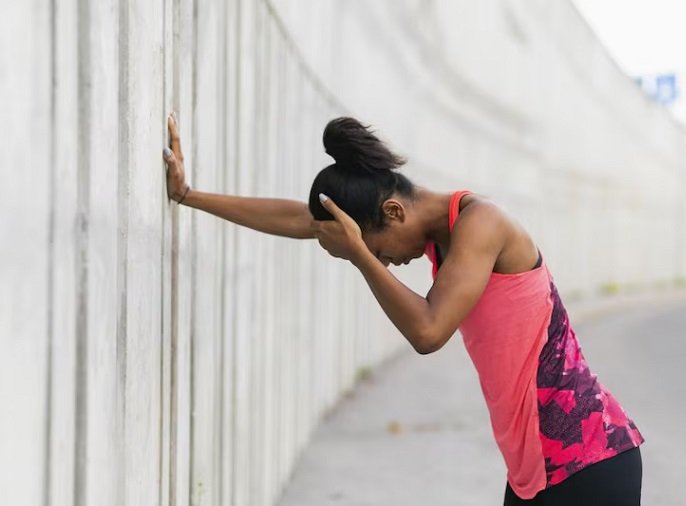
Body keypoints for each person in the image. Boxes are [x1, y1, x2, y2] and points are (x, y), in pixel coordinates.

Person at [163, 114, 645, 505]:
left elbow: (429, 332)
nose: (386, 261)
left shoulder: (484, 225)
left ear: (394, 212)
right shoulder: (443, 234)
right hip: (536, 469)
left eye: (380, 250)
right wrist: (188, 195)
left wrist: (361, 256)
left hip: (588, 460)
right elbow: (299, 219)